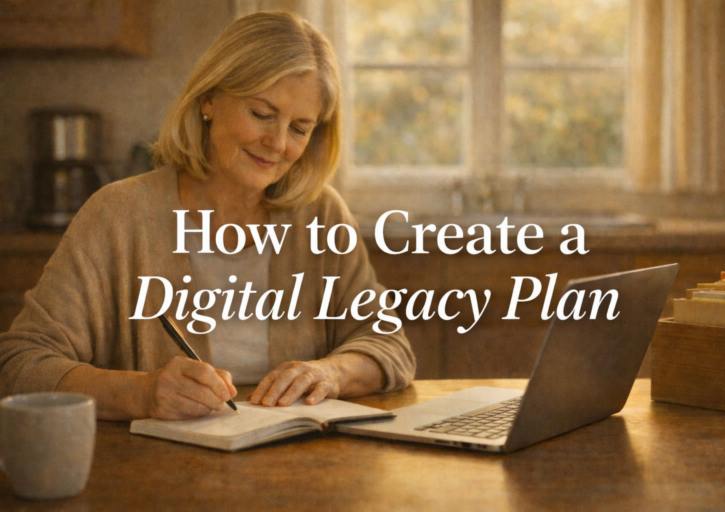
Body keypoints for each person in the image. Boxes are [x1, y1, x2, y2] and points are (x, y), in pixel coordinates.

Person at [0, 11, 415, 420]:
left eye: (299, 128)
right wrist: (141, 394)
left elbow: (389, 346)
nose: (277, 143)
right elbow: (19, 364)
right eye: (261, 114)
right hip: (156, 474)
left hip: (302, 468)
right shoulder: (117, 215)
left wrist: (331, 371)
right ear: (209, 100)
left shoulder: (321, 214)